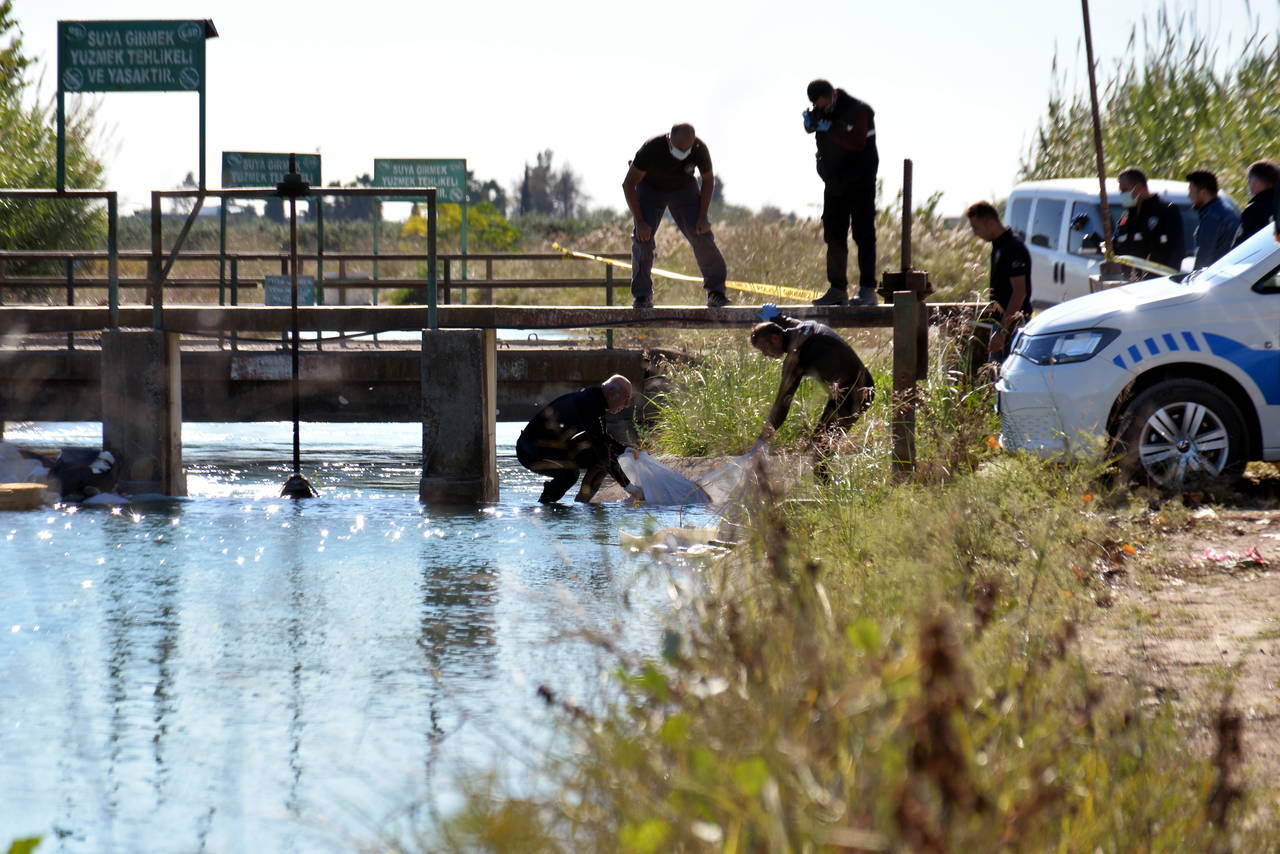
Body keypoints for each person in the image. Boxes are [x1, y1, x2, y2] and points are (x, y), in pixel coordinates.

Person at [749, 305, 875, 477]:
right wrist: (777, 316)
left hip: (856, 395)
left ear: (776, 338)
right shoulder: (806, 328)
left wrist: (761, 440)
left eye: (764, 348)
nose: (765, 354)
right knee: (820, 443)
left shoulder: (795, 358)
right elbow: (789, 323)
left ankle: (825, 494)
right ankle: (824, 487)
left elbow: (782, 406)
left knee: (820, 447)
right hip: (853, 388)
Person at [622, 123, 730, 309]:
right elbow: (628, 184)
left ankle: (716, 292)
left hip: (683, 189)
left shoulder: (699, 149)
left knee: (701, 234)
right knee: (643, 239)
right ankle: (642, 296)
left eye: (687, 148)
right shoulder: (652, 148)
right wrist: (640, 221)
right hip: (651, 188)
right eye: (679, 148)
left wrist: (703, 216)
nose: (683, 151)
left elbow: (708, 180)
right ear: (669, 140)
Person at [803, 79, 879, 307]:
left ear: (833, 95)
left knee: (863, 234)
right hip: (834, 184)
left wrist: (830, 127)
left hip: (860, 183)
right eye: (817, 105)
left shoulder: (859, 111)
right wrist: (810, 122)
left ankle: (867, 290)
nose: (821, 109)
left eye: (824, 104)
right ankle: (837, 289)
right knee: (834, 236)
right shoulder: (819, 110)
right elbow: (810, 127)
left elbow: (856, 142)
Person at [516, 374, 645, 504]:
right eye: (626, 398)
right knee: (570, 473)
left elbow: (603, 439)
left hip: (553, 447)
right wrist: (628, 487)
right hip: (530, 451)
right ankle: (545, 507)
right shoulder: (588, 404)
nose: (627, 404)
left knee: (598, 459)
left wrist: (626, 450)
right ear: (611, 393)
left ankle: (583, 502)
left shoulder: (596, 400)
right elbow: (601, 448)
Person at [966, 201, 1031, 362]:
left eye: (976, 227)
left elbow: (1019, 292)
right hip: (1002, 323)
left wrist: (1003, 331)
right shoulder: (999, 245)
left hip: (1014, 325)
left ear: (990, 223)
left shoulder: (1012, 247)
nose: (975, 233)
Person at [1113, 167, 1184, 275]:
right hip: (1130, 284)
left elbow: (1176, 252)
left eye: (1124, 190)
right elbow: (1116, 249)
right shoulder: (1125, 218)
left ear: (1139, 187)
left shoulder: (1165, 211)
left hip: (1157, 284)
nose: (1122, 195)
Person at [1186, 169, 1240, 268]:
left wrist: (1196, 280)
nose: (1189, 196)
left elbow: (1204, 258)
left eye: (1191, 191)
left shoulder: (1211, 217)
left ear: (1203, 193)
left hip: (1217, 277)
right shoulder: (1228, 209)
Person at [1234, 159, 1277, 246]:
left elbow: (1241, 247)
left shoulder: (1253, 211)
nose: (1248, 184)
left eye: (1249, 180)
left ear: (1255, 181)